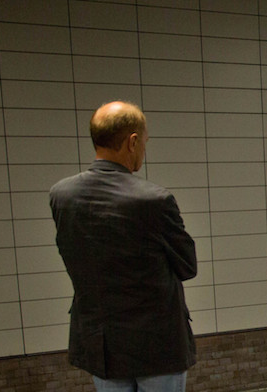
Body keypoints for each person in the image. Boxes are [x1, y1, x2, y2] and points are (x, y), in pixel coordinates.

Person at [49, 101, 197, 391]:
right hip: (158, 345)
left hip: (100, 342)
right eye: (144, 141)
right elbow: (187, 265)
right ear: (132, 141)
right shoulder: (154, 200)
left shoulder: (61, 196)